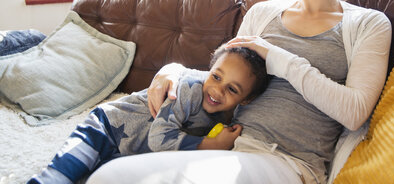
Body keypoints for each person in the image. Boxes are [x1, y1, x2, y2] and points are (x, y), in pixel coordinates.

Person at [86, 0, 392, 184]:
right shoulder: (262, 14)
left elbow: (354, 114)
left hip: (286, 161)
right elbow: (223, 80)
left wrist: (278, 59)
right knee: (107, 175)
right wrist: (173, 70)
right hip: (227, 145)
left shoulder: (368, 25)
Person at [28, 46, 270, 184]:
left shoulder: (229, 118)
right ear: (208, 70)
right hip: (105, 128)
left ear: (245, 100)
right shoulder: (188, 89)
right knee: (59, 176)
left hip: (130, 151)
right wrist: (209, 144)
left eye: (232, 89)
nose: (217, 89)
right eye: (216, 76)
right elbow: (159, 138)